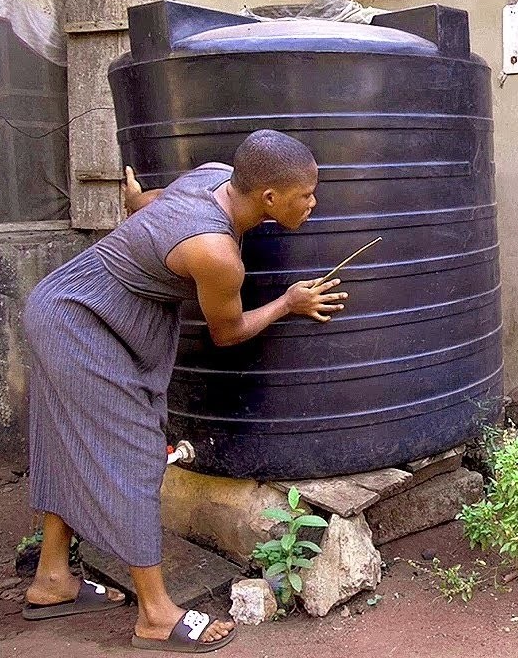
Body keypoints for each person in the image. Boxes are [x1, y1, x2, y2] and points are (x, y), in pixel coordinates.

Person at [21, 130, 347, 652]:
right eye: (304, 194)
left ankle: (53, 579)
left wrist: (135, 201)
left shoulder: (214, 176)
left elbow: (156, 203)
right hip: (78, 323)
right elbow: (229, 332)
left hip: (82, 308)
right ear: (268, 198)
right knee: (133, 455)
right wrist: (288, 302)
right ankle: (155, 615)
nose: (313, 202)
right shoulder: (218, 254)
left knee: (71, 443)